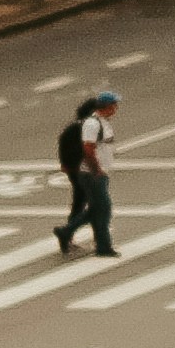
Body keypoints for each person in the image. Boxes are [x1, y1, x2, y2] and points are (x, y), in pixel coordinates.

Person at [50, 89, 119, 258]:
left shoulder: (102, 122)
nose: (116, 108)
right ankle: (102, 246)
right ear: (108, 106)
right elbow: (88, 149)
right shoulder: (92, 124)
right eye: (114, 105)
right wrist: (96, 170)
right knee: (103, 208)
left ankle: (67, 232)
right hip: (92, 174)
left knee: (97, 208)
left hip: (97, 172)